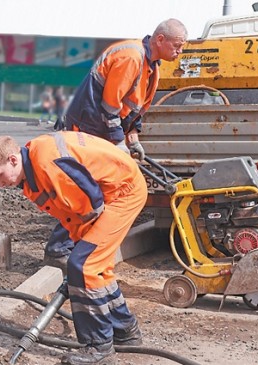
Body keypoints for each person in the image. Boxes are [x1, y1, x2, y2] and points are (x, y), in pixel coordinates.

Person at [0, 133, 147, 365]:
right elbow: (71, 213)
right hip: (113, 192)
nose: (0, 184)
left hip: (122, 193)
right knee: (96, 266)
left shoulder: (48, 165)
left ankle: (98, 347)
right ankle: (126, 331)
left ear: (13, 160)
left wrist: (80, 259)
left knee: (85, 266)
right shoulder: (32, 171)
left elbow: (92, 205)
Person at [44, 18, 188, 271]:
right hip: (87, 127)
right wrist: (118, 144)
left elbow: (132, 109)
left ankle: (77, 245)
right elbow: (110, 107)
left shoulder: (152, 66)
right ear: (160, 40)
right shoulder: (131, 57)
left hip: (100, 128)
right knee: (87, 190)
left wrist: (133, 138)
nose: (180, 51)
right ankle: (57, 250)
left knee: (101, 190)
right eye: (177, 45)